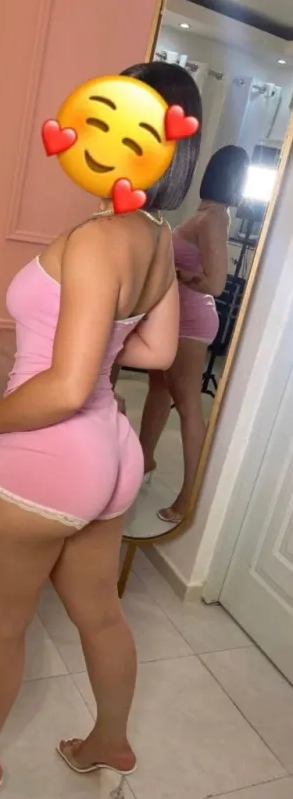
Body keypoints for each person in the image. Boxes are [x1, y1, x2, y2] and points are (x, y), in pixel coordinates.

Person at [0, 61, 202, 791]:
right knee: (102, 614)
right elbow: (155, 351)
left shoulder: (97, 237)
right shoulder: (156, 236)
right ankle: (108, 743)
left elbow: (62, 387)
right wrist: (94, 344)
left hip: (46, 454)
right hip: (110, 454)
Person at [139, 145, 250, 524]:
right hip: (174, 317)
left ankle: (189, 495)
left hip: (191, 321)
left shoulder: (215, 217)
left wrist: (175, 274)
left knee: (187, 404)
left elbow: (215, 284)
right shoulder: (206, 214)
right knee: (158, 388)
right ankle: (145, 459)